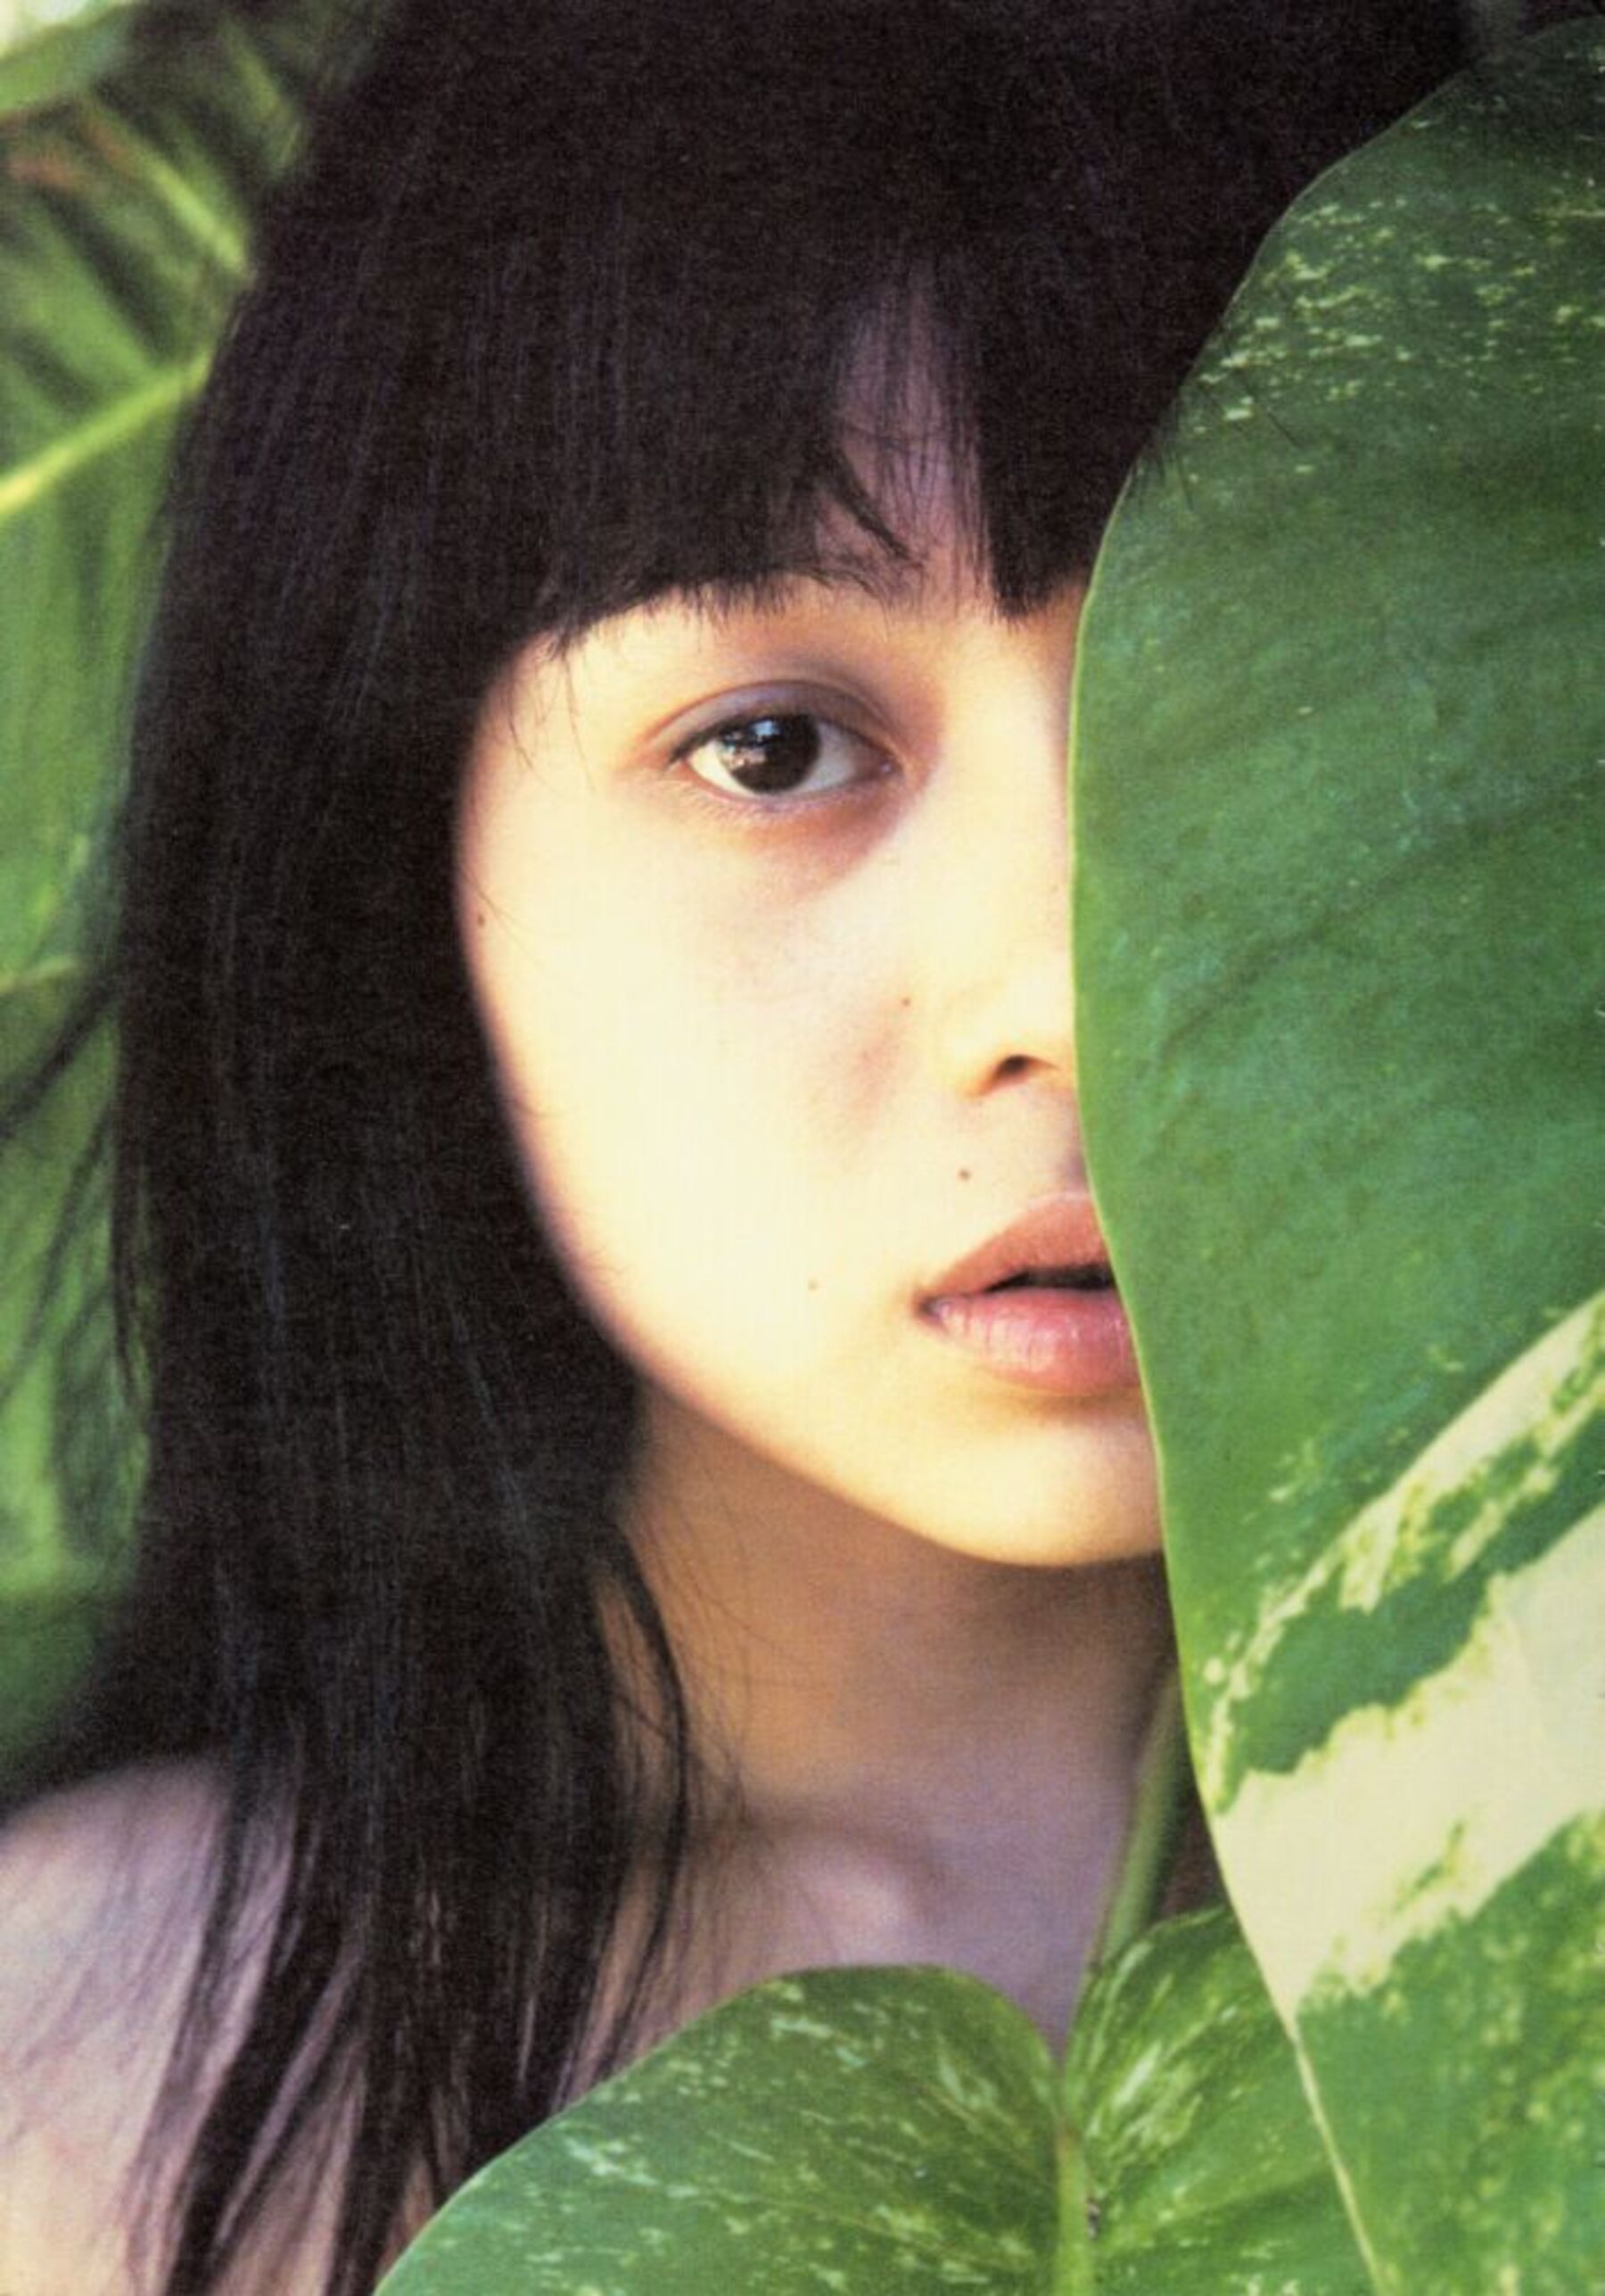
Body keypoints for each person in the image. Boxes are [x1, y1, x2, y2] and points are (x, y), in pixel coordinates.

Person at [0, 1, 1470, 2289]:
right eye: (776, 748)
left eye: (1266, 691)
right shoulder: (79, 2080)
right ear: (393, 853)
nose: (1071, 993)